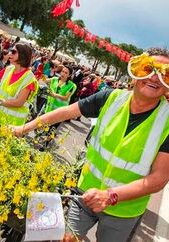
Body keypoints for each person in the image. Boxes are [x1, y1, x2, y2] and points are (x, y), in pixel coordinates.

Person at [12, 48, 169, 242]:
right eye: (148, 69)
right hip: (84, 194)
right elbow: (66, 112)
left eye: (165, 74)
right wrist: (23, 129)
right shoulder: (110, 98)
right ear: (135, 72)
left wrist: (111, 196)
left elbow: (159, 178)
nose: (155, 78)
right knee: (65, 238)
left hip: (123, 212)